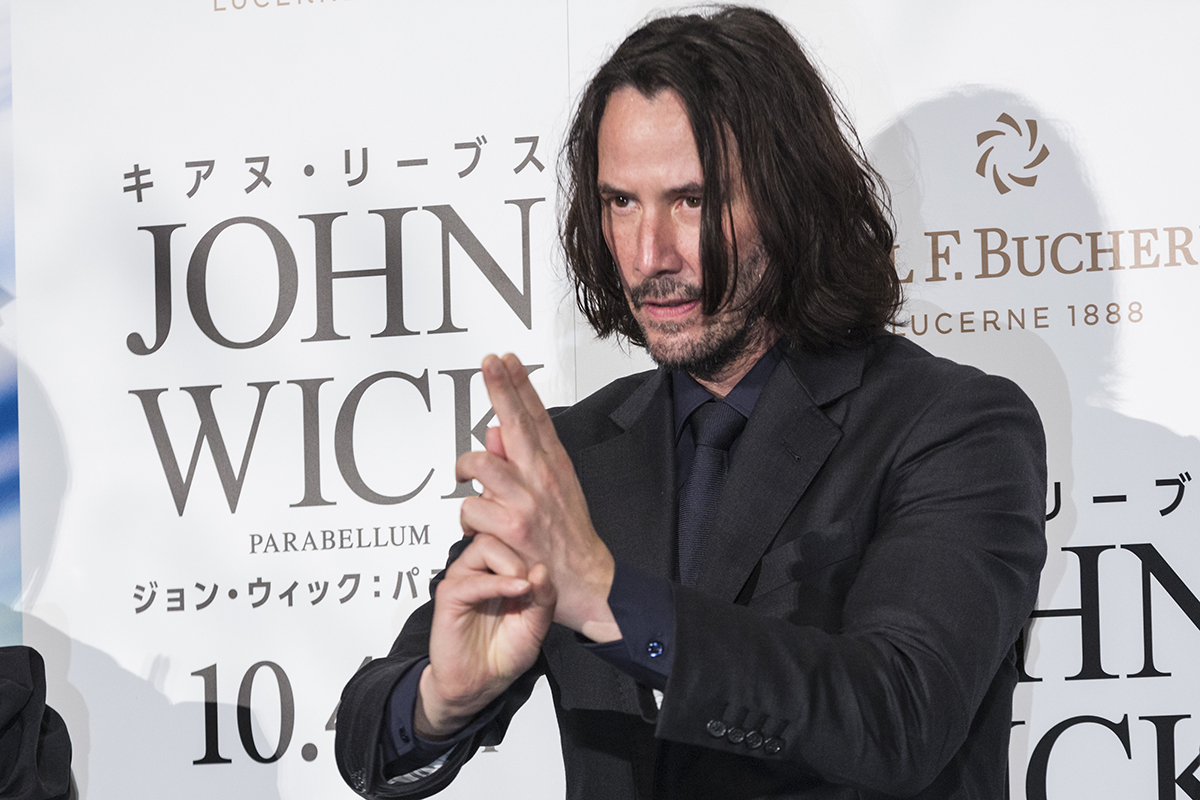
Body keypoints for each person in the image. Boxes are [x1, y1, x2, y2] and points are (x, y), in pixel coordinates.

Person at [334, 6, 1046, 799]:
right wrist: (440, 701)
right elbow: (369, 731)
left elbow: (900, 716)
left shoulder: (952, 427)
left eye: (693, 200)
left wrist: (607, 600)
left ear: (792, 198)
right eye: (621, 202)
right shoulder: (575, 456)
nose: (650, 256)